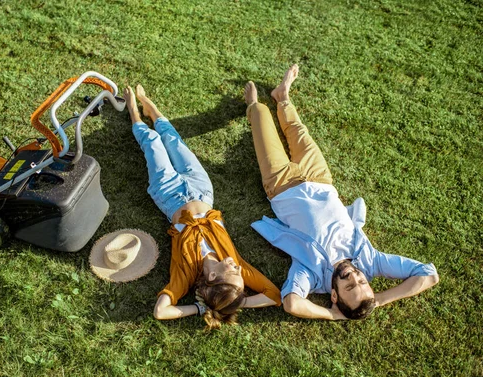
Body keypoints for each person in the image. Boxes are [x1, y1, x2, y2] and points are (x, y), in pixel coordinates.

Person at [244, 64, 439, 320]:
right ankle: (282, 96)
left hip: (281, 184)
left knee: (260, 118)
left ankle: (253, 104)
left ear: (334, 296)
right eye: (363, 283)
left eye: (349, 286)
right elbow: (428, 274)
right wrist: (377, 300)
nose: (355, 277)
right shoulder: (371, 262)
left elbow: (292, 303)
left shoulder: (312, 274)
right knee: (297, 130)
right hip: (320, 178)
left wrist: (332, 315)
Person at [123, 85, 281, 329]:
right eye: (240, 274)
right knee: (173, 140)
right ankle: (148, 104)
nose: (238, 267)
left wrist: (202, 308)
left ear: (212, 277)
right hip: (202, 190)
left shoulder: (185, 275)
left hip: (169, 195)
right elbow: (274, 294)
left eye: (233, 274)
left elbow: (161, 311)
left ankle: (133, 110)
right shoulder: (233, 260)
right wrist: (236, 301)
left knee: (153, 142)